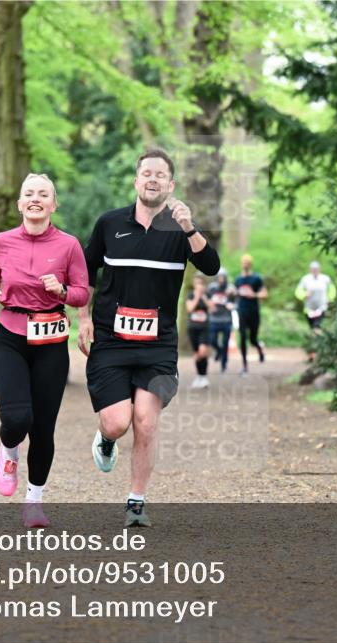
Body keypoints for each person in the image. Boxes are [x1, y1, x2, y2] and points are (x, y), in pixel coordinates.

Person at [79, 148, 220, 527]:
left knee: (146, 421)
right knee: (116, 422)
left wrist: (189, 227)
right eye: (147, 173)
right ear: (136, 181)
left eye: (160, 175)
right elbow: (84, 271)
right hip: (111, 341)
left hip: (158, 345)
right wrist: (83, 318)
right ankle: (106, 439)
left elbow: (211, 266)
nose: (152, 179)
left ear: (171, 185)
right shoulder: (110, 223)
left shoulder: (180, 229)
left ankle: (136, 503)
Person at [0, 174, 90, 528]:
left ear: (53, 204)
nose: (35, 199)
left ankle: (34, 502)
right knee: (16, 419)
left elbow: (82, 293)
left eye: (43, 194)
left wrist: (62, 291)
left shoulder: (69, 245)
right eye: (29, 194)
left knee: (43, 428)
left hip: (51, 343)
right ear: (20, 204)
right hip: (11, 336)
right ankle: (9, 452)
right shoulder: (1, 242)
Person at [295, 260, 336, 361]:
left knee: (317, 328)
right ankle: (312, 352)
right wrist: (303, 295)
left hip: (321, 308)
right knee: (312, 330)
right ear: (310, 269)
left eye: (316, 269)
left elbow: (332, 289)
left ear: (319, 269)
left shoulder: (325, 279)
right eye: (313, 269)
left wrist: (330, 299)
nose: (315, 270)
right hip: (309, 309)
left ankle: (317, 352)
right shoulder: (305, 279)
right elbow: (298, 291)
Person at [234, 254, 267, 374]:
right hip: (242, 312)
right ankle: (244, 366)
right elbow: (236, 294)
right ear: (241, 264)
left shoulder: (256, 278)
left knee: (253, 339)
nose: (245, 264)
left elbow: (264, 294)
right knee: (242, 337)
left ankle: (260, 349)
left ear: (250, 264)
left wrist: (254, 295)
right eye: (244, 262)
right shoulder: (238, 279)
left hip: (253, 312)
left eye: (247, 262)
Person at [186, 274, 212, 388]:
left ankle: (204, 377)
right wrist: (197, 297)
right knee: (197, 354)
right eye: (197, 283)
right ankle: (199, 377)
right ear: (194, 284)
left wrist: (204, 297)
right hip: (192, 328)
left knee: (203, 351)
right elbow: (190, 308)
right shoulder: (190, 295)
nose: (199, 286)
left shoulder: (207, 295)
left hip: (204, 328)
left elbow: (213, 308)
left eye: (201, 283)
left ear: (204, 285)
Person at [207, 268, 235, 373]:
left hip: (226, 320)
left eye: (223, 277)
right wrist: (210, 305)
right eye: (219, 277)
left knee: (225, 343)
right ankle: (219, 351)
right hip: (214, 319)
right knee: (212, 340)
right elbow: (207, 299)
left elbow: (236, 302)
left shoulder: (230, 288)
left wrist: (232, 304)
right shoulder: (212, 288)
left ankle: (224, 364)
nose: (221, 279)